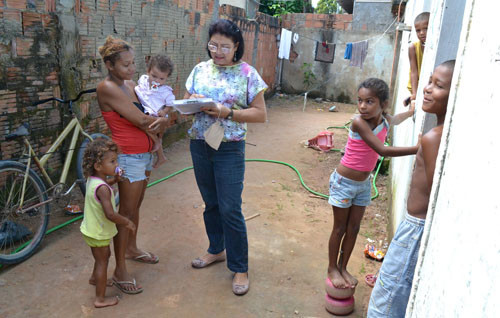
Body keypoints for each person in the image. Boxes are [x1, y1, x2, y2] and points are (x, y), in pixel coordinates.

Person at [184, 19, 267, 296]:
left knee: (230, 207)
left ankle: (240, 266)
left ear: (236, 47)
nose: (217, 51)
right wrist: (191, 101)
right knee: (211, 203)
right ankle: (216, 249)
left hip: (229, 147)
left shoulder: (247, 73)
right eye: (213, 45)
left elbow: (260, 113)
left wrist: (227, 112)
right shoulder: (199, 69)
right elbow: (183, 105)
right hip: (200, 143)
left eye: (224, 46)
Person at [367, 60, 455, 317]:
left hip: (415, 230)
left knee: (386, 300)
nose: (427, 89)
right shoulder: (437, 134)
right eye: (429, 81)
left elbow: (435, 195)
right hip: (414, 227)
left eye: (438, 86)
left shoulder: (432, 139)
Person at [328, 78, 418, 289]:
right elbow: (383, 151)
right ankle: (332, 268)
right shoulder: (359, 122)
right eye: (359, 100)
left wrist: (413, 109)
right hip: (344, 182)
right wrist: (418, 148)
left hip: (363, 184)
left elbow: (396, 119)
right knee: (340, 228)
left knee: (354, 228)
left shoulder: (385, 119)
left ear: (383, 104)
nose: (362, 106)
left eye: (369, 102)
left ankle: (343, 267)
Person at [97, 35, 170, 294]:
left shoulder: (129, 84)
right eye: (125, 65)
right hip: (128, 157)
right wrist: (164, 120)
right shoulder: (107, 88)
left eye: (133, 63)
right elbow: (142, 120)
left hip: (145, 155)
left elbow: (158, 110)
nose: (132, 69)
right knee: (125, 213)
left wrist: (165, 115)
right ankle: (119, 271)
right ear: (109, 64)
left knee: (135, 206)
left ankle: (131, 248)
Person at [80, 138, 136, 307]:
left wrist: (115, 180)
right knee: (102, 261)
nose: (116, 164)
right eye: (112, 161)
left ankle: (93, 279)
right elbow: (110, 214)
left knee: (101, 258)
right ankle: (100, 299)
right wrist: (126, 221)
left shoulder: (94, 180)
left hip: (91, 230)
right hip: (99, 232)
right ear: (98, 166)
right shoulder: (103, 189)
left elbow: (103, 186)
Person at [135, 55, 175, 168]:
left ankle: (158, 147)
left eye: (161, 79)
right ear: (148, 71)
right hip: (145, 109)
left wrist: (165, 111)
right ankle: (161, 155)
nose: (157, 81)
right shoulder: (143, 80)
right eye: (154, 76)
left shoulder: (165, 91)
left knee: (149, 127)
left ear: (166, 78)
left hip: (156, 113)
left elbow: (171, 104)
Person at [406, 12, 430, 105]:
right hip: (416, 87)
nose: (422, 33)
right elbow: (414, 71)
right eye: (418, 30)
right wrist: (415, 94)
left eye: (426, 29)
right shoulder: (413, 48)